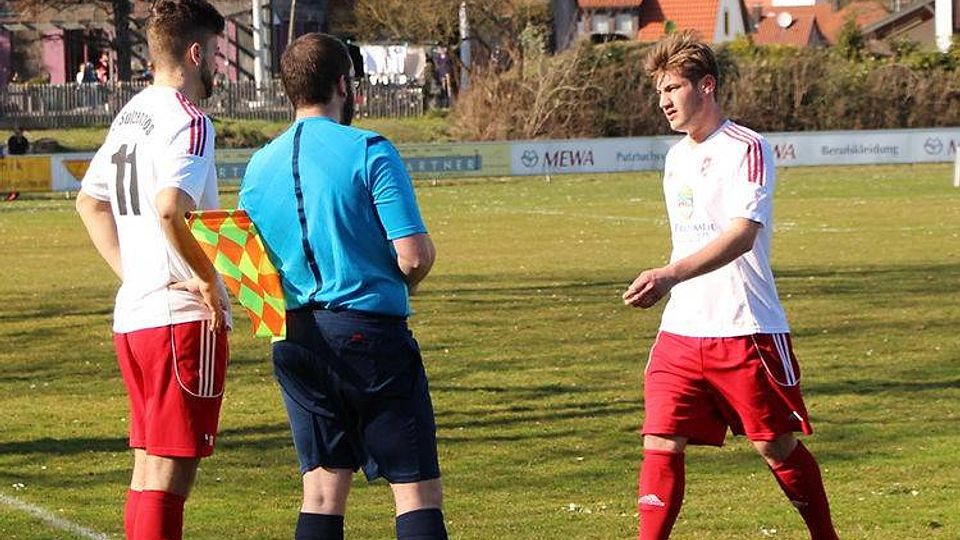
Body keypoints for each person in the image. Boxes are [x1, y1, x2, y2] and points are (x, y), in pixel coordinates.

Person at [623, 31, 839, 540]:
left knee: (773, 445)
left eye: (673, 88)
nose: (664, 102)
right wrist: (672, 282)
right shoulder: (674, 158)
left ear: (707, 86)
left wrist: (670, 273)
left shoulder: (749, 147)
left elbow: (743, 234)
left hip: (745, 328)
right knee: (661, 440)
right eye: (659, 92)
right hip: (681, 330)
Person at [239, 33, 446, 540]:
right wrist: (405, 284)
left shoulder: (257, 165)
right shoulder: (369, 149)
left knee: (322, 492)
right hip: (367, 332)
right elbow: (413, 255)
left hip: (294, 337)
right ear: (343, 85)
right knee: (414, 489)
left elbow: (250, 265)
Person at [74, 1, 229, 539]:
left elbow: (89, 204)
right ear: (194, 52)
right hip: (178, 320)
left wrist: (134, 273)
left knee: (147, 468)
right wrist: (209, 282)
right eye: (215, 53)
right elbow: (170, 208)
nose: (219, 66)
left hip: (135, 317)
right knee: (168, 473)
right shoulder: (190, 121)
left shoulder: (131, 114)